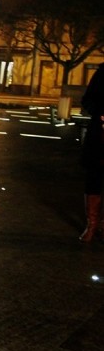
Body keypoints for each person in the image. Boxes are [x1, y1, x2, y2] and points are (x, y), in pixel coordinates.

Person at [79, 66, 104, 242]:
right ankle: (92, 224)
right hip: (99, 135)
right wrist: (100, 113)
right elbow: (87, 100)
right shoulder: (102, 73)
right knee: (94, 178)